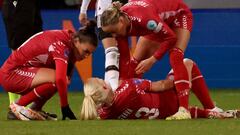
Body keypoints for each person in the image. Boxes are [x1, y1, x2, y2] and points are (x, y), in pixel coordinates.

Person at [100, 0, 194, 119]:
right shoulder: (121, 25)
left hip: (179, 15)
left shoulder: (145, 19)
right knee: (134, 64)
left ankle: (184, 110)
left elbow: (170, 38)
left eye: (113, 31)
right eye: (110, 33)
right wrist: (121, 86)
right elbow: (125, 59)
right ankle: (135, 104)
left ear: (121, 21)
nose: (113, 35)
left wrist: (152, 60)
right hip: (157, 20)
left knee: (175, 55)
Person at [0, 21, 98, 120]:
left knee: (63, 80)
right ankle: (17, 107)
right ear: (76, 41)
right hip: (10, 74)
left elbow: (65, 79)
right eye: (86, 51)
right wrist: (65, 107)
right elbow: (60, 79)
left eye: (90, 53)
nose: (86, 56)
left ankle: (35, 109)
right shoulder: (61, 44)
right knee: (60, 79)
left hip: (21, 73)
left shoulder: (71, 42)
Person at [80, 58, 232, 120]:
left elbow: (101, 110)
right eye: (100, 80)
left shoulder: (105, 114)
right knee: (186, 63)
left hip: (163, 114)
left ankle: (210, 113)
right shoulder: (129, 87)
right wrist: (183, 82)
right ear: (105, 86)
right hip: (170, 101)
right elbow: (163, 85)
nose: (103, 79)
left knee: (172, 105)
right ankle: (210, 108)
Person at [1, 0, 43, 119]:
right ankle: (16, 107)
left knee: (34, 54)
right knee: (18, 56)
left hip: (31, 5)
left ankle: (29, 107)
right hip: (18, 5)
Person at [79, 0, 128, 91]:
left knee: (123, 54)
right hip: (105, 11)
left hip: (126, 10)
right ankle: (114, 90)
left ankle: (110, 93)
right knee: (111, 52)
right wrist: (83, 10)